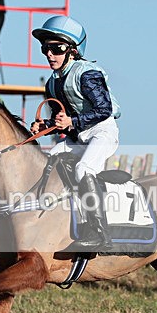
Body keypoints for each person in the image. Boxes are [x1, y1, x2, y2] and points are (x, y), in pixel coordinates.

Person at [30, 15, 121, 251]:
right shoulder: (52, 82)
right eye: (45, 49)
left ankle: (101, 234)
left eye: (56, 48)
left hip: (102, 131)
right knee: (50, 161)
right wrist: (46, 125)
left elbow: (104, 109)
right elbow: (64, 119)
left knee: (83, 169)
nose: (50, 54)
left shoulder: (87, 73)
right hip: (79, 136)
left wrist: (71, 121)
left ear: (72, 51)